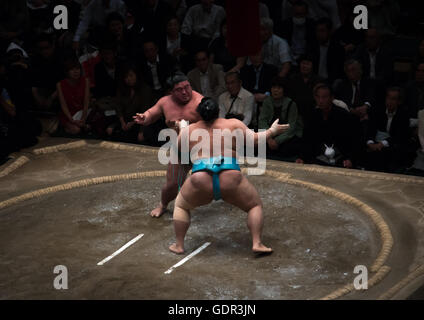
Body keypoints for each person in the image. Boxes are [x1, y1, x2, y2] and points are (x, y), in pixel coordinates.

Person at [169, 97, 290, 254]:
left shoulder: (190, 130)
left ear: (199, 113)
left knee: (180, 205)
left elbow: (179, 148)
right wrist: (272, 131)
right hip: (230, 177)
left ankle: (179, 245)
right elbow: (255, 140)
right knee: (254, 205)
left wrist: (182, 129)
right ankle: (257, 243)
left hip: (200, 178)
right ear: (219, 111)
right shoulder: (233, 124)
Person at [133, 72, 203, 217]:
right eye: (179, 89)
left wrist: (185, 127)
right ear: (171, 92)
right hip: (180, 149)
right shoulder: (165, 102)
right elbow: (153, 113)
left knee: (213, 180)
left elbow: (212, 123)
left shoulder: (199, 101)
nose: (185, 92)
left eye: (187, 87)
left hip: (201, 148)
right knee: (171, 185)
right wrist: (144, 117)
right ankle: (163, 205)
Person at [258, 77, 303, 159]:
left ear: (284, 90)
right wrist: (269, 138)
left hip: (286, 137)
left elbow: (291, 127)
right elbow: (262, 121)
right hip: (269, 136)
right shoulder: (267, 102)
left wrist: (277, 141)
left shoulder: (291, 104)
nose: (275, 90)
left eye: (279, 88)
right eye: (274, 87)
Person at [107, 65, 154, 143]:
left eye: (131, 76)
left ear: (137, 75)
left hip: (141, 121)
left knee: (140, 136)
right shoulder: (122, 88)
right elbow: (118, 107)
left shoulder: (145, 89)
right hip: (125, 120)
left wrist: (133, 123)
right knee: (110, 130)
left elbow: (145, 111)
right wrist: (122, 122)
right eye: (126, 77)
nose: (128, 79)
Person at [56, 59, 92, 135]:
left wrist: (83, 118)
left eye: (77, 69)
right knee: (76, 130)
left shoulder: (86, 81)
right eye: (72, 69)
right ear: (67, 72)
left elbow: (86, 101)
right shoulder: (60, 84)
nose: (76, 72)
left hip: (82, 111)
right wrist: (71, 120)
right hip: (68, 113)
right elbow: (63, 105)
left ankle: (82, 125)